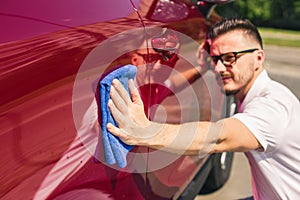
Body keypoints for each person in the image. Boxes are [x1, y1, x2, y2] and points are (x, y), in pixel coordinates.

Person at [107, 18, 300, 199]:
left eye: (230, 58)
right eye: (215, 60)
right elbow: (171, 84)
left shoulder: (272, 107)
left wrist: (146, 131)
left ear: (259, 57)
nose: (219, 68)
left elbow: (218, 138)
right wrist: (202, 66)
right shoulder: (255, 91)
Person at [32, 29, 209, 199]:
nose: (157, 66)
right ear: (134, 60)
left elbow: (173, 83)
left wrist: (202, 67)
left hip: (107, 183)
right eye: (150, 58)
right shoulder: (114, 94)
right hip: (68, 188)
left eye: (166, 60)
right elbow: (103, 125)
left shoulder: (152, 89)